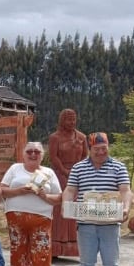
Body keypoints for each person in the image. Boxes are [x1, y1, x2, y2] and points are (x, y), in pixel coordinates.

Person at [62, 132, 133, 266]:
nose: (101, 152)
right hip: (86, 223)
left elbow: (125, 190)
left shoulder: (119, 167)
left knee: (111, 262)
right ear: (89, 149)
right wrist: (66, 205)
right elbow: (70, 190)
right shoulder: (79, 168)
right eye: (97, 149)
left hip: (110, 223)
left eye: (104, 148)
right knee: (86, 262)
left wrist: (125, 208)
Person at [0, 142, 62, 266]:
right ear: (23, 154)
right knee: (18, 255)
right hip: (16, 217)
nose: (33, 154)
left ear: (42, 155)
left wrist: (44, 196)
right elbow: (2, 190)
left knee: (40, 256)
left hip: (41, 219)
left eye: (37, 151)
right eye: (29, 151)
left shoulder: (49, 172)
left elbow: (59, 198)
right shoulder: (15, 169)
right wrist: (21, 190)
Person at [48, 109, 88, 258]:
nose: (72, 122)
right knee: (60, 208)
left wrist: (78, 171)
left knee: (76, 207)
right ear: (62, 120)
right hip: (60, 175)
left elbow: (85, 156)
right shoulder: (55, 137)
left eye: (74, 119)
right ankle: (56, 245)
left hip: (78, 176)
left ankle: (74, 244)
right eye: (68, 119)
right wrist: (65, 171)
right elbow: (53, 157)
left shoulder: (81, 137)